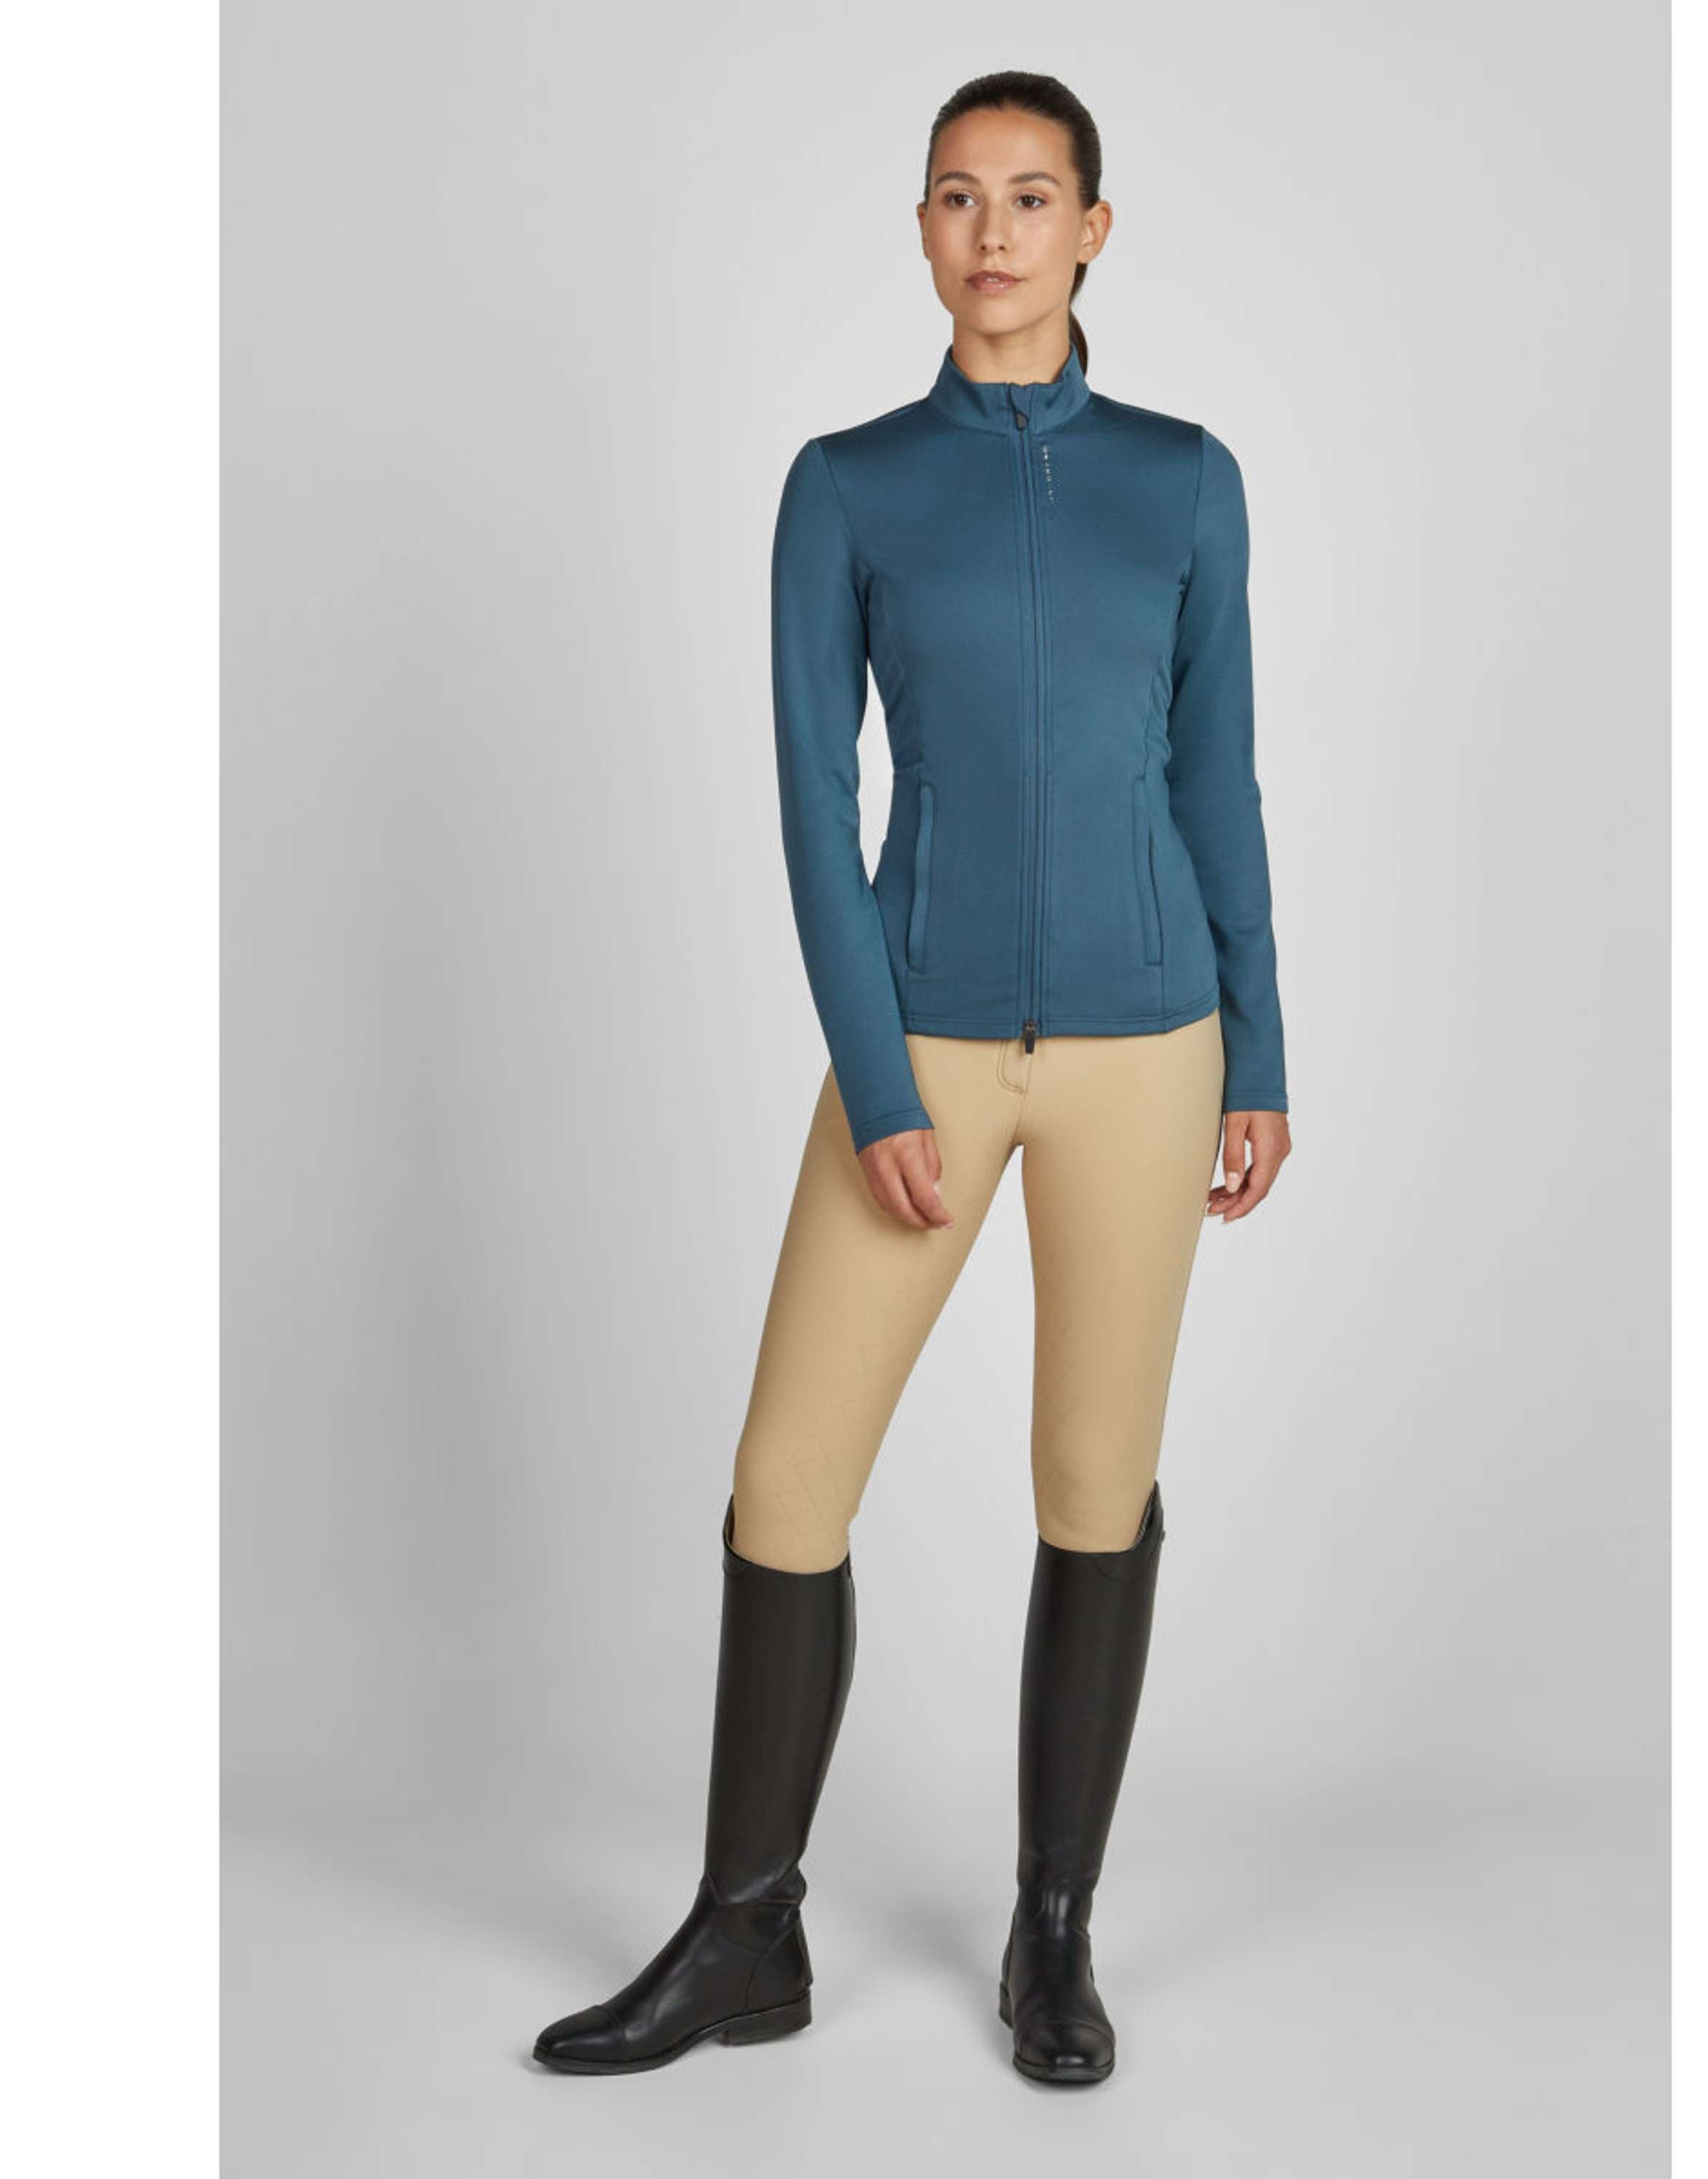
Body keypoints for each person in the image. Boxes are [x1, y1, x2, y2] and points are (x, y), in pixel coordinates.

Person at [532, 68, 1291, 2086]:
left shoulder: (1185, 481)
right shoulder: (848, 487)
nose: (992, 230)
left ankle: (1055, 1936)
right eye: (958, 195)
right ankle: (745, 1929)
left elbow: (1215, 779)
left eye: (1032, 197)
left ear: (1093, 232)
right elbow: (816, 798)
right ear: (926, 227)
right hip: (930, 1045)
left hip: (1151, 1051)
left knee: (1093, 1486)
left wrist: (1263, 1047)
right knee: (787, 1486)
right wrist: (878, 1081)